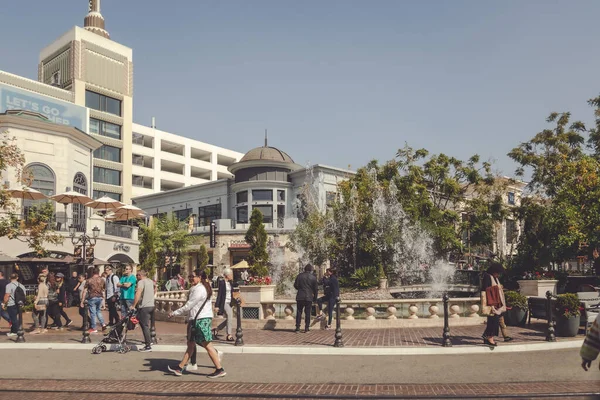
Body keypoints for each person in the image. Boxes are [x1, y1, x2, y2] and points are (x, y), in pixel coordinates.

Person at [167, 269, 225, 378]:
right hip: (197, 319)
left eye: (192, 276)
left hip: (201, 320)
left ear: (199, 277)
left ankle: (219, 368)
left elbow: (189, 305)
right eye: (190, 276)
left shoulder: (200, 289)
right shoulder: (199, 288)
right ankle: (179, 368)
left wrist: (174, 313)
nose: (190, 278)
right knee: (191, 344)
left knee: (207, 345)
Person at [480, 262, 507, 347]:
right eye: (497, 272)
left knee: (494, 320)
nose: (498, 275)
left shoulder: (494, 277)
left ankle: (487, 336)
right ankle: (489, 338)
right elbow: (485, 290)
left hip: (496, 303)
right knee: (493, 321)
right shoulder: (488, 276)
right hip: (491, 303)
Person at [131, 270, 155, 352]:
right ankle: (149, 340)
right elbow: (155, 288)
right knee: (144, 324)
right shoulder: (151, 281)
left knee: (144, 325)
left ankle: (148, 346)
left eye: (137, 275)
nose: (136, 277)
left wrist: (133, 305)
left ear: (140, 275)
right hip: (151, 305)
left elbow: (138, 293)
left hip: (145, 306)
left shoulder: (141, 282)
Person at [293, 264, 318, 333]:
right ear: (311, 270)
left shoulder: (299, 276)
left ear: (304, 269)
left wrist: (300, 289)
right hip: (309, 297)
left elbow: (295, 285)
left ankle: (297, 327)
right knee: (308, 313)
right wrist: (315, 299)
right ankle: (306, 328)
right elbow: (316, 289)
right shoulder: (313, 277)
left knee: (299, 312)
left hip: (300, 296)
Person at [81, 267, 106, 334]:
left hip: (92, 297)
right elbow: (103, 289)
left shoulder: (89, 280)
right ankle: (103, 324)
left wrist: (82, 300)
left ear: (92, 272)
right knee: (98, 311)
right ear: (98, 272)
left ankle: (94, 328)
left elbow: (85, 290)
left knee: (93, 314)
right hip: (100, 297)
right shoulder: (102, 280)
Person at [213, 268, 235, 341]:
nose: (232, 276)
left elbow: (232, 292)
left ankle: (216, 329)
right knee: (229, 315)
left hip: (230, 302)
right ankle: (229, 335)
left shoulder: (230, 282)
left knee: (230, 318)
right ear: (226, 275)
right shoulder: (222, 282)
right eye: (231, 274)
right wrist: (216, 305)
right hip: (224, 302)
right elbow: (219, 294)